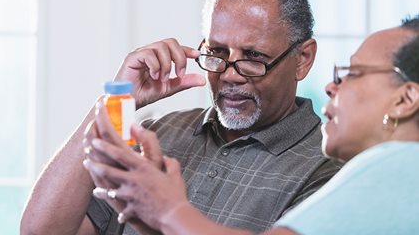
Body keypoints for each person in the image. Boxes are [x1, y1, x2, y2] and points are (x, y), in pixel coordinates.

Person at [20, 0, 341, 234]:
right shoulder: (155, 135)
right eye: (216, 52)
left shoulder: (329, 169)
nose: (230, 74)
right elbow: (41, 231)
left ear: (303, 59)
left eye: (253, 57)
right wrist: (116, 98)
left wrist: (164, 214)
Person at [86, 15, 419, 234]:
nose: (333, 86)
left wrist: (167, 211)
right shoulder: (166, 127)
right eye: (216, 51)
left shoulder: (400, 165)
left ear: (406, 99)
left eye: (353, 74)